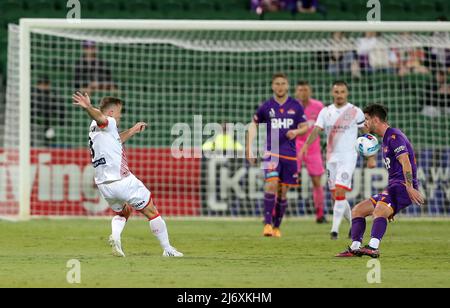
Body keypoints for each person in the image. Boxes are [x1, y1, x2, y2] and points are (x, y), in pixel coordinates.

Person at [72, 92, 183, 258]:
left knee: (124, 212)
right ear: (110, 113)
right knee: (152, 211)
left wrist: (132, 130)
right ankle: (168, 249)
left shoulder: (94, 128)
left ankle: (115, 237)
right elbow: (102, 119)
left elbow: (115, 139)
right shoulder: (107, 121)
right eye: (119, 111)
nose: (120, 115)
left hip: (104, 185)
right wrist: (88, 107)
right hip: (122, 180)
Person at [336, 104, 424, 258]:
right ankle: (355, 247)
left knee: (379, 211)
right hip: (395, 187)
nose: (365, 123)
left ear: (376, 119)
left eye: (367, 119)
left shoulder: (395, 137)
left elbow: (406, 162)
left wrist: (409, 187)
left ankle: (373, 247)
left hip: (403, 186)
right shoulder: (385, 139)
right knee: (358, 210)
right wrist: (390, 205)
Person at [299, 81, 376, 240]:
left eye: (342, 92)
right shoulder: (325, 112)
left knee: (340, 192)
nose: (339, 95)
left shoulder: (355, 112)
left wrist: (371, 157)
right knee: (336, 196)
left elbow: (367, 135)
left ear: (346, 93)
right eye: (337, 92)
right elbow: (317, 130)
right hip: (331, 158)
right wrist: (306, 145)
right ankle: (355, 222)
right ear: (332, 93)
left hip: (348, 158)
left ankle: (334, 231)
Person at [247, 73, 308, 238]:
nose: (280, 86)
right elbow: (253, 125)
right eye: (277, 84)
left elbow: (305, 126)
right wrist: (249, 148)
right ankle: (267, 224)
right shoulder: (266, 106)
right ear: (273, 86)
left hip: (289, 155)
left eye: (283, 83)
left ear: (287, 86)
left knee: (282, 192)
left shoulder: (296, 106)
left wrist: (296, 131)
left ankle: (276, 227)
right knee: (271, 184)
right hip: (271, 153)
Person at [294, 81, 326, 223]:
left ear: (310, 91)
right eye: (300, 90)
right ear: (296, 92)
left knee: (316, 181)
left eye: (305, 90)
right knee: (287, 180)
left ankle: (320, 214)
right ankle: (275, 213)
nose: (303, 92)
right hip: (295, 145)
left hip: (313, 146)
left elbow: (324, 125)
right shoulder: (292, 106)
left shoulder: (318, 106)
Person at [31, 76, 64, 147]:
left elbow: (60, 107)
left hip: (49, 123)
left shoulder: (53, 95)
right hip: (35, 123)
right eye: (42, 84)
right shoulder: (33, 95)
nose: (44, 87)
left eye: (46, 84)